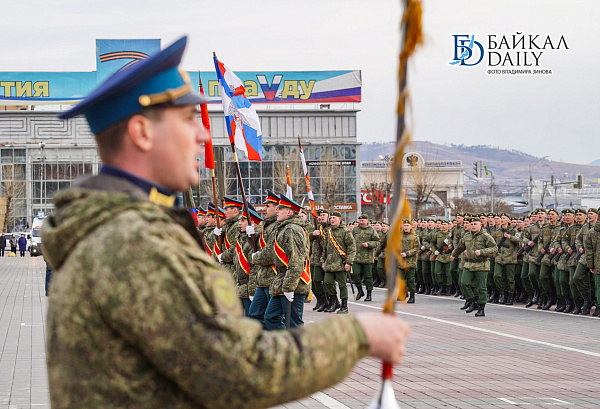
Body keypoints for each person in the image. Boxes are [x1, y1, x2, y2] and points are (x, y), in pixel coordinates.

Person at [42, 37, 410, 409]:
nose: (203, 135)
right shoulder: (135, 243)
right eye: (188, 120)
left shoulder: (114, 228)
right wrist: (357, 335)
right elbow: (240, 372)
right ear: (142, 132)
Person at [263, 195, 309, 329]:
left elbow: (296, 260)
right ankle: (284, 341)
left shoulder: (292, 229)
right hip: (283, 281)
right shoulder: (284, 228)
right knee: (270, 317)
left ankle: (298, 343)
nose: (277, 210)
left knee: (294, 324)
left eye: (280, 208)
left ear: (289, 212)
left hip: (294, 283)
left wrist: (289, 287)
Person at [250, 190, 281, 327]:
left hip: (272, 277)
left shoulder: (276, 226)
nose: (264, 209)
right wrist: (250, 236)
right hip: (262, 278)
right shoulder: (266, 226)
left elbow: (269, 254)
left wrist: (255, 257)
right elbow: (258, 246)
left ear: (277, 208)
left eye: (267, 206)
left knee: (273, 318)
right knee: (255, 313)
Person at [322, 211, 356, 313]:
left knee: (342, 285)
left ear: (339, 219)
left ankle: (344, 306)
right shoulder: (329, 232)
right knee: (327, 282)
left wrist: (349, 262)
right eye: (331, 218)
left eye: (334, 218)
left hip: (341, 263)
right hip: (329, 263)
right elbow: (325, 248)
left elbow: (352, 248)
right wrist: (323, 260)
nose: (332, 220)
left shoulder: (345, 232)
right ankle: (335, 302)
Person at [351, 214, 381, 302]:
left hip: (367, 257)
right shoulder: (355, 230)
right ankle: (360, 290)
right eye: (360, 221)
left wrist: (369, 244)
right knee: (355, 273)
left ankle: (369, 294)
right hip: (356, 256)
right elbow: (350, 240)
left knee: (368, 276)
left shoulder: (371, 230)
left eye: (362, 220)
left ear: (367, 221)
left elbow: (377, 241)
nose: (361, 222)